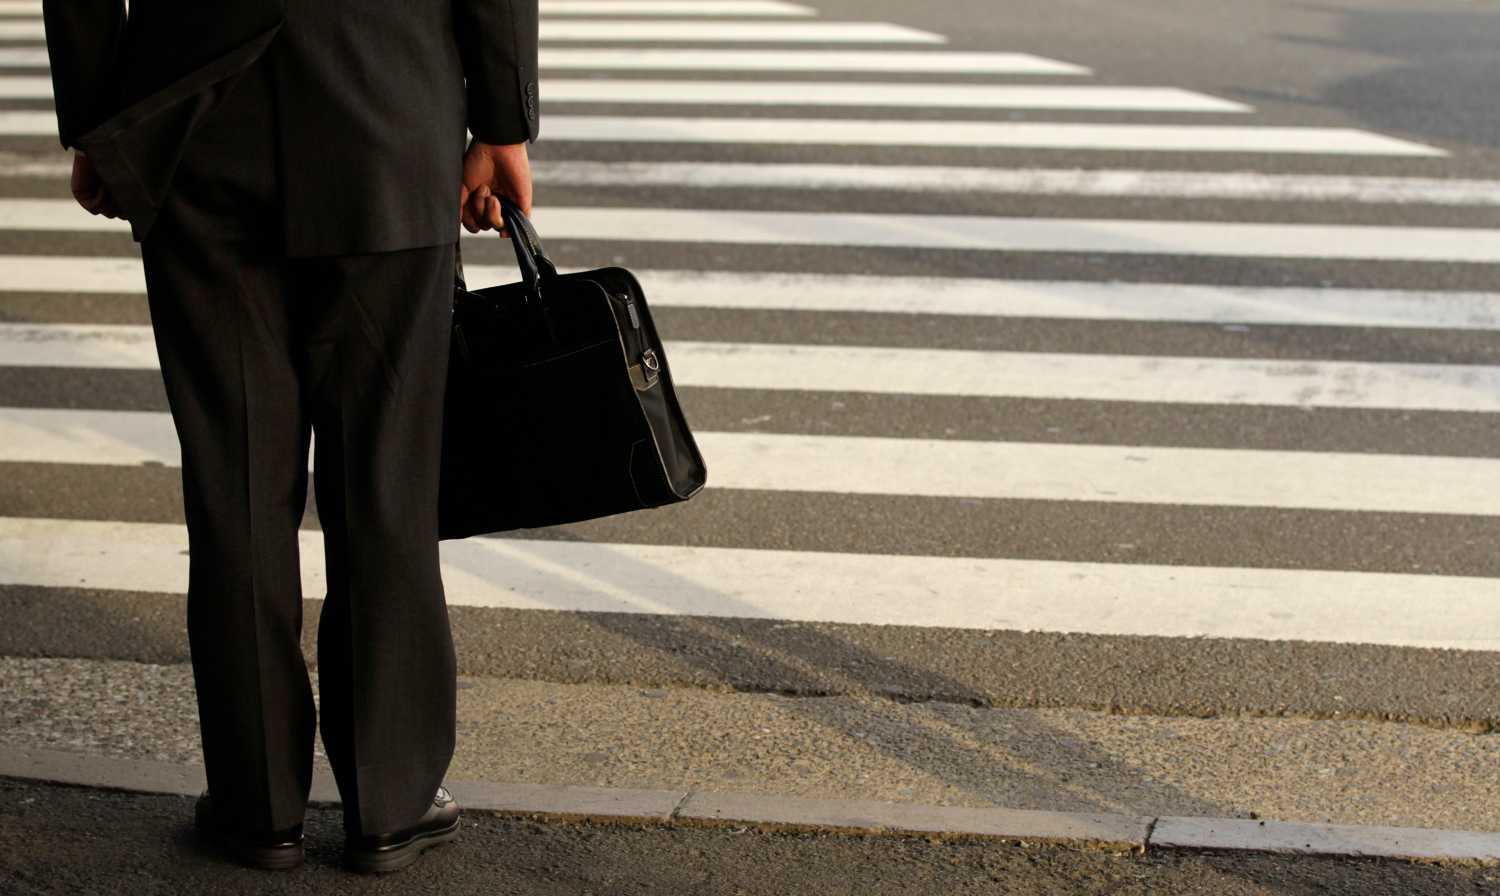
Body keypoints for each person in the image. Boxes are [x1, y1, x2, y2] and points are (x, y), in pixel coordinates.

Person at [40, 0, 539, 874]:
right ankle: (390, 802)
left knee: (234, 486)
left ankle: (256, 803)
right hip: (387, 100)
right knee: (385, 481)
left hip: (196, 110)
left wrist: (97, 116)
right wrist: (500, 119)